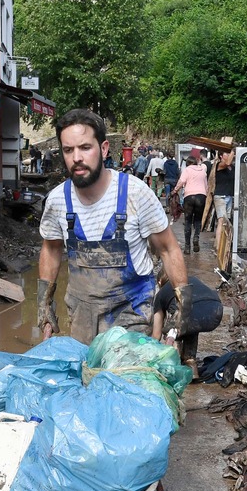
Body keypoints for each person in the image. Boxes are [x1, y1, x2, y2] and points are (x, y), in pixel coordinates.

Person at [37, 108, 189, 345]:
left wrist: (182, 304)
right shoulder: (57, 200)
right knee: (88, 377)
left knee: (124, 376)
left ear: (104, 148)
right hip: (81, 317)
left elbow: (168, 249)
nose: (77, 157)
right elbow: (51, 248)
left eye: (85, 148)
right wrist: (44, 303)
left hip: (131, 315)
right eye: (68, 150)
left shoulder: (135, 194)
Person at [151, 272, 221, 367]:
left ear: (159, 282)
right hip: (216, 310)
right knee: (191, 326)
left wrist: (150, 353)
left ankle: (173, 362)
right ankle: (191, 362)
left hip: (193, 312)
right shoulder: (191, 279)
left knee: (172, 328)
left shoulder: (161, 293)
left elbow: (156, 335)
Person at [173, 156, 208, 255]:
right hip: (201, 197)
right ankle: (196, 237)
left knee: (188, 221)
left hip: (189, 197)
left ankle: (187, 247)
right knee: (197, 219)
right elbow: (206, 186)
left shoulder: (187, 170)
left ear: (188, 163)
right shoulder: (202, 171)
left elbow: (181, 181)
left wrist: (175, 190)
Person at [211, 149, 235, 226]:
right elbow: (227, 163)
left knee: (227, 221)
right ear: (221, 156)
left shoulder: (232, 167)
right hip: (221, 196)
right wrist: (233, 151)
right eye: (226, 153)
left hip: (229, 195)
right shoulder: (219, 165)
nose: (228, 155)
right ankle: (219, 238)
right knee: (221, 220)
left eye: (229, 154)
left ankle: (224, 238)